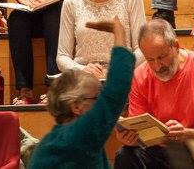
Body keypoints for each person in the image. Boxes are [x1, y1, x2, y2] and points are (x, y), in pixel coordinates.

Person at [114, 19, 194, 169]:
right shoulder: (140, 76)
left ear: (176, 46)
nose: (157, 66)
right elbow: (141, 133)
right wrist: (129, 138)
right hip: (163, 151)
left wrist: (186, 134)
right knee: (126, 154)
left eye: (161, 57)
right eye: (150, 60)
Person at [31, 18, 133, 169]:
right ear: (76, 106)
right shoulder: (77, 135)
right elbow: (116, 90)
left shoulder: (60, 137)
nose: (101, 103)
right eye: (97, 98)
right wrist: (119, 32)